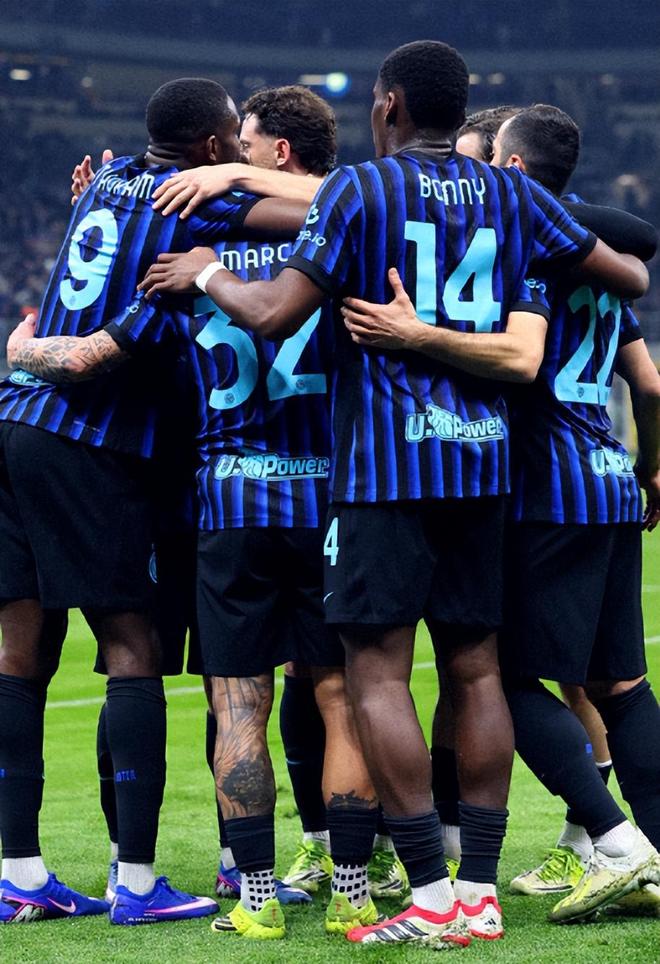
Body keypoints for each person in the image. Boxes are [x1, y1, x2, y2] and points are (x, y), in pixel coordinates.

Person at [134, 39, 649, 948]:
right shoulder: (514, 194)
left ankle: (429, 891)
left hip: (383, 473)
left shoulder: (361, 192)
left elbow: (272, 312)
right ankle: (478, 890)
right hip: (483, 467)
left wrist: (206, 270)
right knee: (477, 669)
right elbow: (629, 271)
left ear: (390, 107)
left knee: (375, 674)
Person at [7, 84, 382, 941]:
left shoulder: (136, 208)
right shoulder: (249, 231)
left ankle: (54, 873)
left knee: (68, 663)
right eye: (230, 146)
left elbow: (107, 327)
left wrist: (22, 351)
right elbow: (343, 209)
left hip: (123, 463)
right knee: (295, 683)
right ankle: (318, 882)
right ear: (212, 147)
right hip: (265, 483)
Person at [336, 102, 660, 924]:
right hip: (610, 480)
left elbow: (520, 355)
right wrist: (651, 467)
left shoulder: (529, 252)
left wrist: (416, 334)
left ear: (511, 172)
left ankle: (612, 837)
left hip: (544, 487)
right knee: (621, 686)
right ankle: (630, 848)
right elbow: (650, 382)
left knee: (497, 677)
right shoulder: (588, 258)